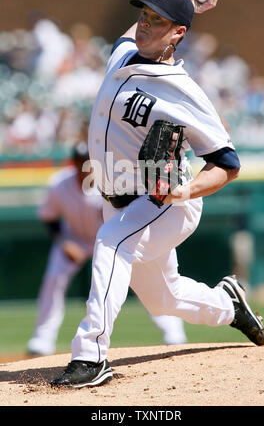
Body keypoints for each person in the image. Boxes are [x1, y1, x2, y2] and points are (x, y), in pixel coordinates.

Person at [51, 0, 264, 388]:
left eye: (158, 20)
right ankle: (229, 304)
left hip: (164, 198)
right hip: (116, 197)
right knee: (164, 298)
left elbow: (227, 163)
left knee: (112, 242)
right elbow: (132, 34)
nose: (146, 25)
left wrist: (182, 192)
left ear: (177, 34)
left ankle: (91, 354)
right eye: (144, 16)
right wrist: (186, 3)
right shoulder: (121, 55)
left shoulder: (183, 92)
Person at [28, 141, 187, 355]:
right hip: (74, 239)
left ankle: (173, 334)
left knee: (144, 279)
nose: (83, 165)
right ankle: (42, 340)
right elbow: (49, 217)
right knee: (54, 278)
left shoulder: (110, 181)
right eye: (79, 161)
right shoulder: (59, 183)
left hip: (110, 240)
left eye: (87, 161)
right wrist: (64, 243)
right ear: (73, 162)